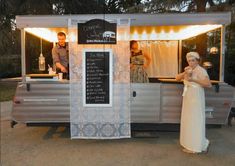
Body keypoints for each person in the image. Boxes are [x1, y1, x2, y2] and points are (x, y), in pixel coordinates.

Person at [176, 52, 212, 154]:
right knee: (188, 119)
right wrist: (184, 73)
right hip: (188, 96)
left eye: (193, 60)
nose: (191, 62)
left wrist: (194, 79)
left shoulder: (201, 70)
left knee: (195, 120)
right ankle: (191, 143)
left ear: (197, 60)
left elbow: (208, 84)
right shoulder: (188, 69)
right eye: (189, 60)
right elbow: (177, 78)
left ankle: (195, 147)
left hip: (196, 96)